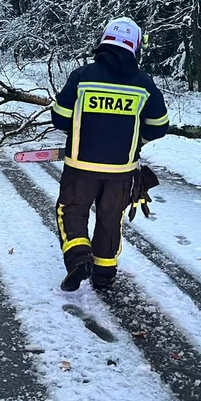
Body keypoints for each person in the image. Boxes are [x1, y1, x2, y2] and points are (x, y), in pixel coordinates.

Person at [50, 17, 169, 292]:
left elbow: (60, 117)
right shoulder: (144, 84)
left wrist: (82, 130)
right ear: (136, 47)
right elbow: (160, 126)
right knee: (110, 218)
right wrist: (136, 140)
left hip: (80, 166)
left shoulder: (82, 76)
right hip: (121, 171)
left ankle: (80, 257)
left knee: (71, 210)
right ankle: (104, 274)